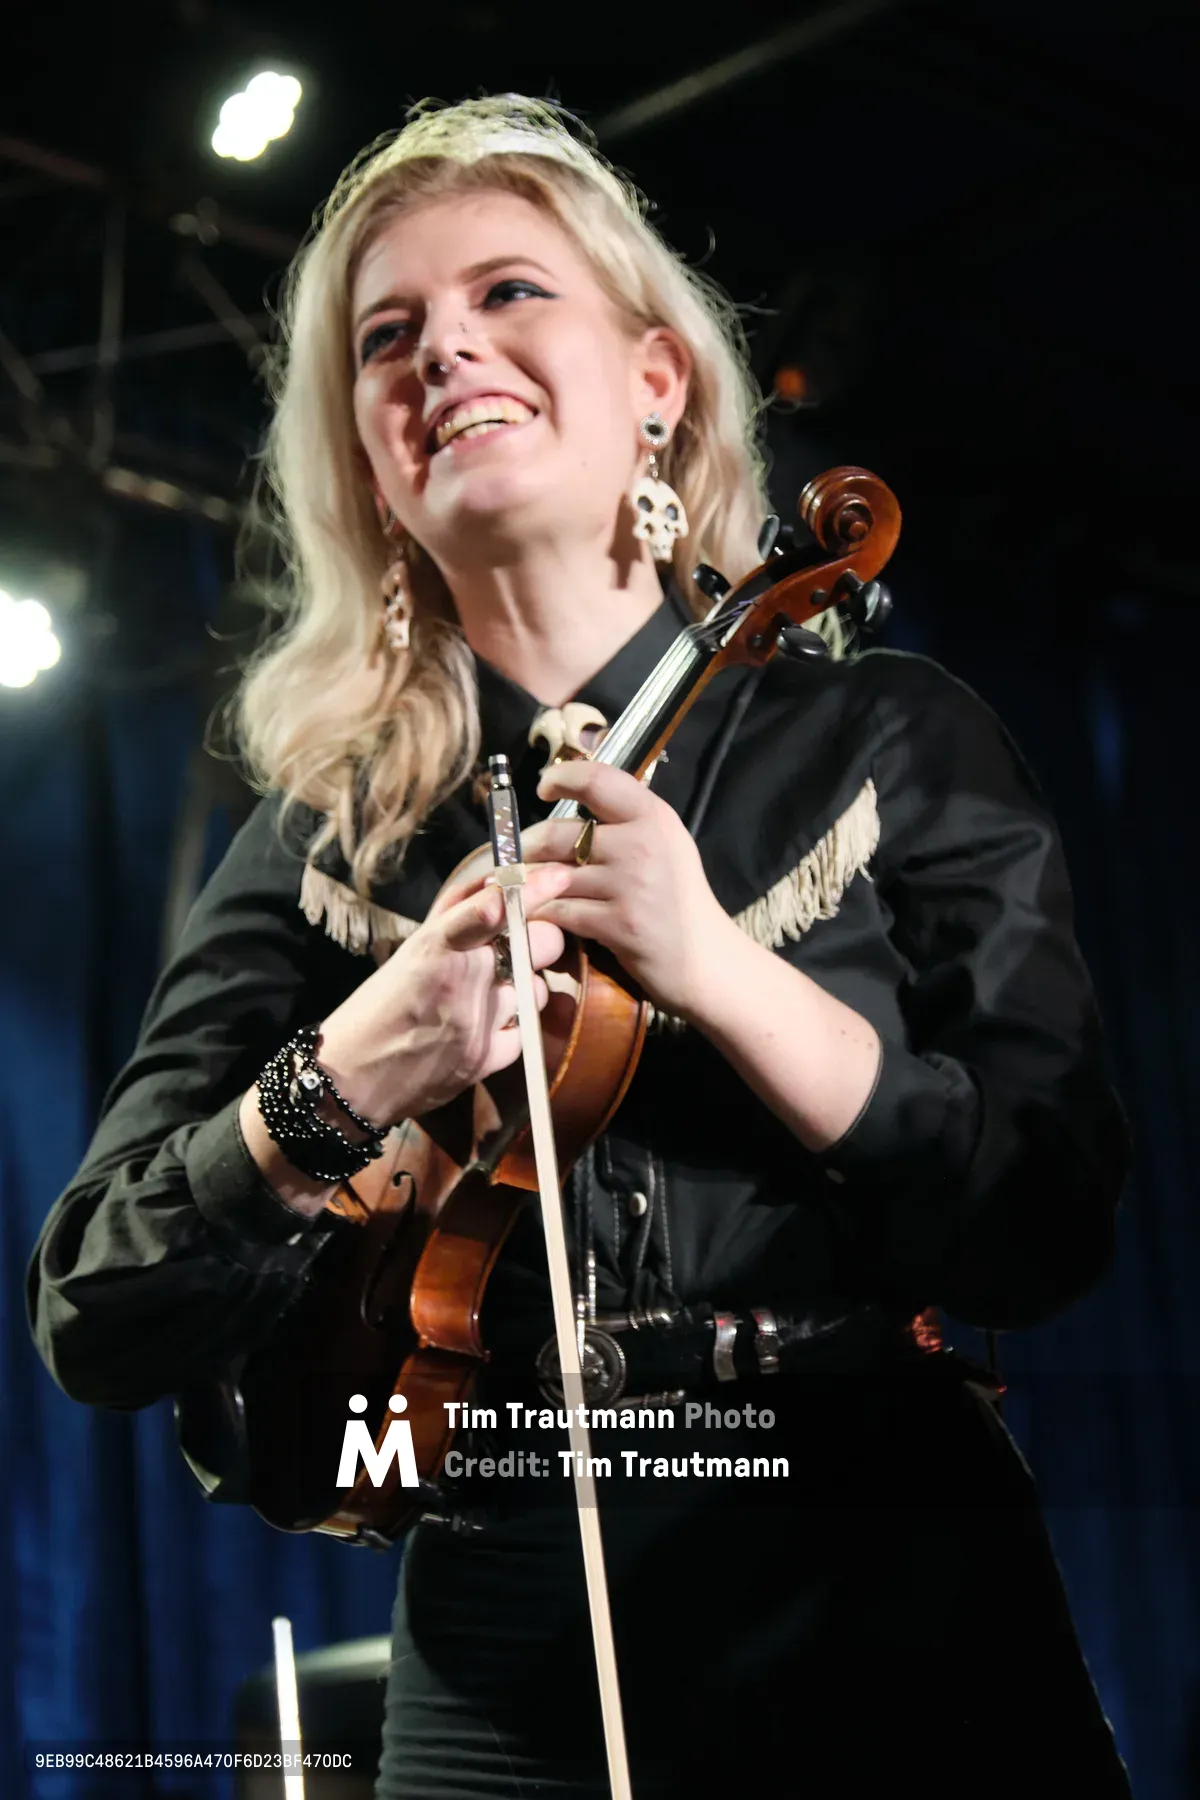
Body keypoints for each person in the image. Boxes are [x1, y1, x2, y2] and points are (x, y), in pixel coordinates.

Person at [28, 95, 1134, 1798]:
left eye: (509, 296)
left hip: (879, 1567)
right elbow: (100, 1305)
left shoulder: (891, 741)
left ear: (657, 384)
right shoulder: (327, 840)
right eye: (387, 338)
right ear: (374, 470)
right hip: (502, 1609)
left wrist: (717, 965)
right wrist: (356, 1067)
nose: (443, 351)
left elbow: (1044, 1221)